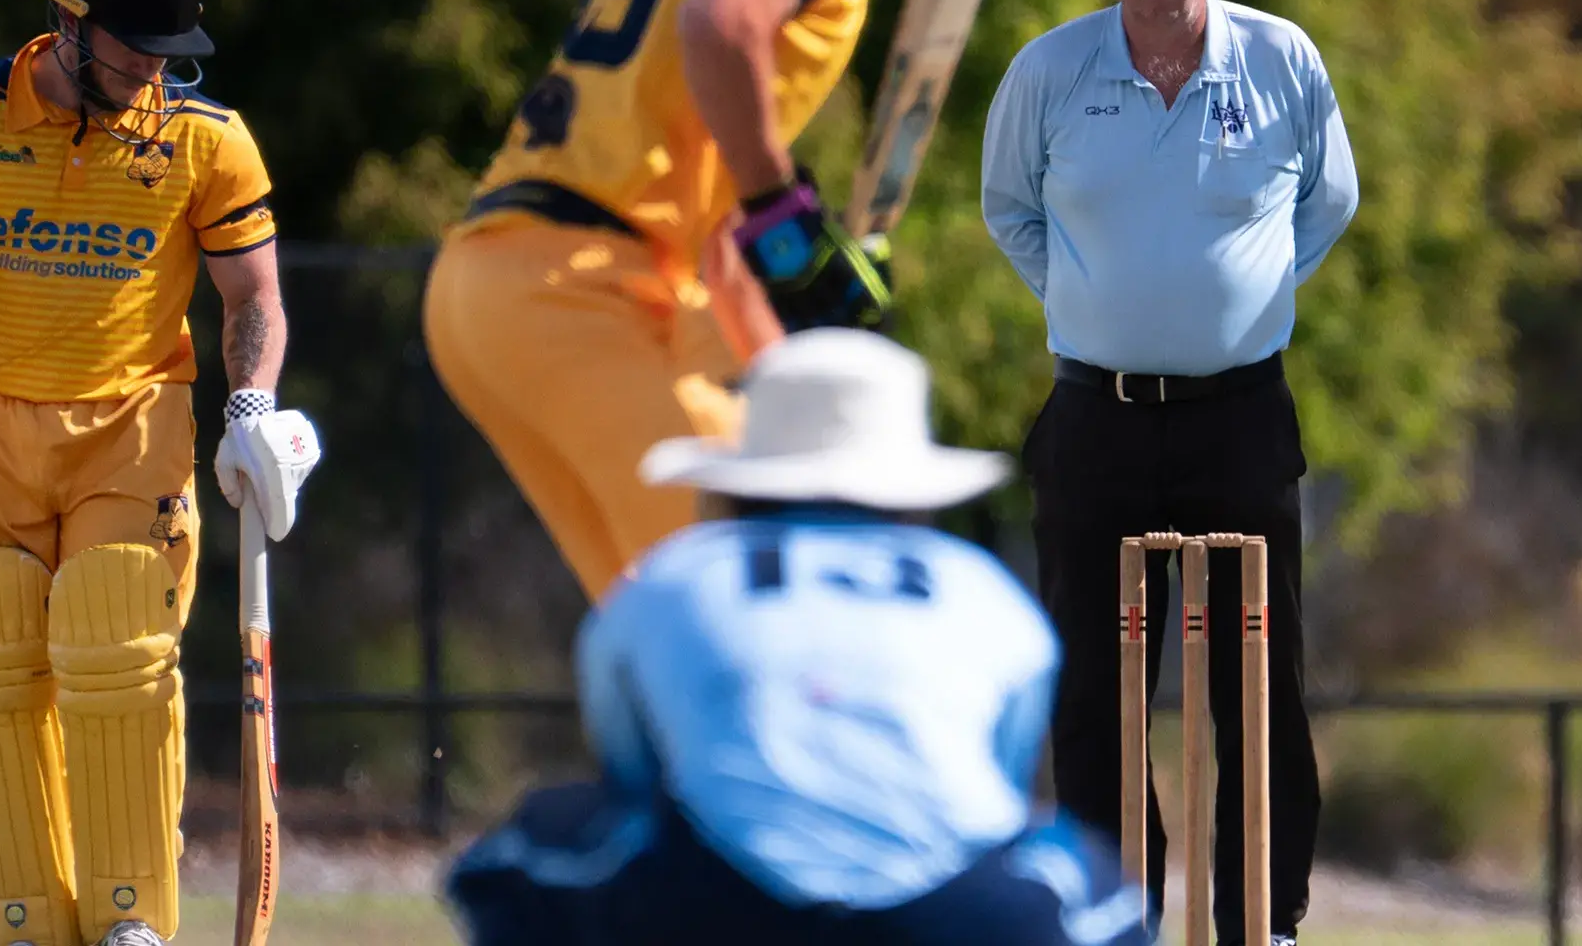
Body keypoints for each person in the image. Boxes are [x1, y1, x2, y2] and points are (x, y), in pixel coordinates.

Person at [423, 0, 934, 602]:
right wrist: (786, 217)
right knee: (761, 610)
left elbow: (686, 184)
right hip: (584, 290)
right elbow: (722, 19)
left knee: (665, 632)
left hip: (496, 286)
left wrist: (786, 360)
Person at [0, 0, 322, 946]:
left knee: (115, 639)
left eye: (168, 50)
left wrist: (252, 405)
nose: (152, 68)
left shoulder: (205, 136)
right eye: (132, 46)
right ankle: (25, 921)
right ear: (69, 25)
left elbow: (254, 297)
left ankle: (132, 922)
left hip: (132, 421)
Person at [443, 329, 1151, 946]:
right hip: (961, 918)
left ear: (743, 480)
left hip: (713, 909)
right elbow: (993, 793)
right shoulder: (986, 593)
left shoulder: (672, 578)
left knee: (520, 855)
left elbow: (633, 781)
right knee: (1106, 892)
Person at [979, 0, 1358, 946]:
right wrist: (1091, 303)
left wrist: (1239, 301)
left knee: (1260, 682)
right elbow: (1009, 209)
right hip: (1094, 414)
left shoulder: (1280, 57)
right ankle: (1115, 918)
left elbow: (1328, 204)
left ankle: (1265, 924)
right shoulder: (1050, 71)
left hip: (1239, 411)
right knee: (1096, 692)